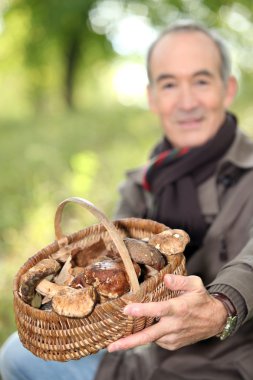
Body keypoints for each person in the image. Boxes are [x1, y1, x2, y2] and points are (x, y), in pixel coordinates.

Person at [1, 20, 253, 380]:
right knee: (14, 356)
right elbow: (113, 264)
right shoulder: (140, 185)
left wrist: (222, 306)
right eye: (169, 84)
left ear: (227, 89)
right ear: (152, 97)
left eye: (201, 80)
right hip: (143, 363)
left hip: (232, 365)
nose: (186, 101)